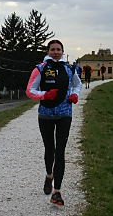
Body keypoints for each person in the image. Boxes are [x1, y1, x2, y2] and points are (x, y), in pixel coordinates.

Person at [26, 39, 82, 207]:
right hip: (46, 114)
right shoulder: (40, 68)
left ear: (63, 51)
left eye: (58, 49)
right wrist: (45, 95)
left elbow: (77, 85)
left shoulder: (69, 68)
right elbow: (30, 90)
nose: (56, 52)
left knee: (60, 151)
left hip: (65, 114)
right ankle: (49, 175)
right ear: (48, 51)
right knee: (49, 148)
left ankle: (57, 192)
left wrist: (75, 94)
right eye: (53, 49)